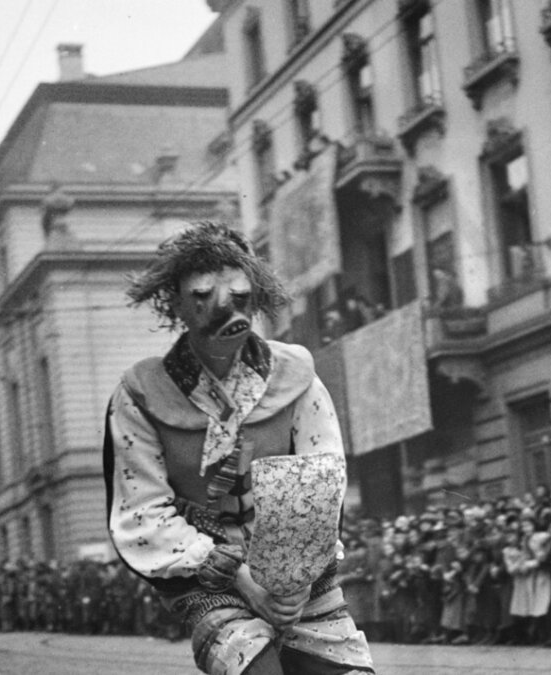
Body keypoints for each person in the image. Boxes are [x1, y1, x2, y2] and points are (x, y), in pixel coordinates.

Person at [103, 222, 374, 674]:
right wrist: (242, 580)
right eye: (201, 296)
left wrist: (292, 584)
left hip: (299, 576)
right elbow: (143, 511)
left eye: (239, 297)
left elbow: (321, 479)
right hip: (210, 577)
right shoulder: (140, 394)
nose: (224, 310)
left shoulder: (296, 375)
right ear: (176, 302)